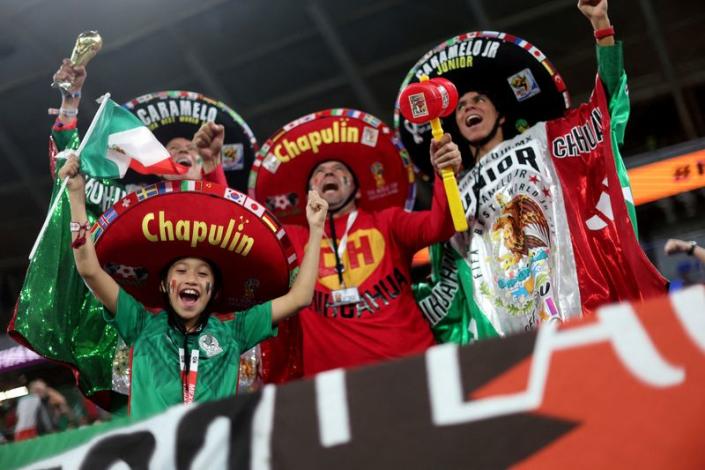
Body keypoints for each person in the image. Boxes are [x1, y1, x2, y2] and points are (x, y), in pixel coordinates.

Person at [398, 0, 667, 344]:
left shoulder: (545, 139)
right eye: (461, 106)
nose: (468, 108)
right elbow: (446, 289)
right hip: (509, 344)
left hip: (581, 307)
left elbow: (606, 109)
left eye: (478, 100)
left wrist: (602, 28)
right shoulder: (454, 190)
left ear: (501, 113)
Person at [58, 154, 327, 418]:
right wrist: (77, 196)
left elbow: (300, 298)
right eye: (181, 271)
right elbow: (89, 269)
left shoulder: (236, 329)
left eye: (202, 274)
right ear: (164, 286)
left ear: (214, 291)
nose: (191, 279)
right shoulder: (139, 322)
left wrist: (315, 230)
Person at [250, 109, 460, 377]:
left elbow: (440, 227)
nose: (329, 173)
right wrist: (211, 172)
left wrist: (445, 176)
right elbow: (235, 246)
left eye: (339, 170)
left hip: (414, 368)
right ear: (309, 194)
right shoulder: (291, 238)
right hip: (333, 387)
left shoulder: (388, 221)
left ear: (357, 190)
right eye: (320, 172)